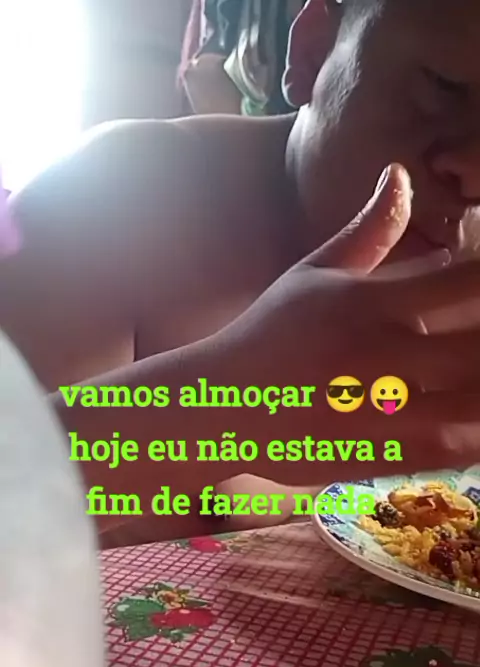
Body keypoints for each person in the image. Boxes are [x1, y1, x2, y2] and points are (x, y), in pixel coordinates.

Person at [2, 0, 480, 546]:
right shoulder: (102, 201)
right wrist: (226, 410)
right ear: (312, 50)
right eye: (444, 87)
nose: (472, 172)